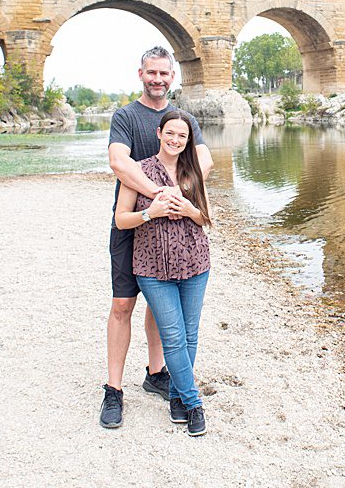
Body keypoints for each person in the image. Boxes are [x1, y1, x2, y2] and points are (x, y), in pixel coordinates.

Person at [100, 47, 213, 429]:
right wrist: (157, 195)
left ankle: (157, 372)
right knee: (122, 306)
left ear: (173, 77)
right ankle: (113, 389)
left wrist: (181, 195)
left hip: (175, 232)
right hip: (136, 222)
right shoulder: (126, 117)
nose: (158, 79)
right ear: (141, 74)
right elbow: (119, 163)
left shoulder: (186, 120)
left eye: (165, 73)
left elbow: (204, 162)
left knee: (160, 306)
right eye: (152, 73)